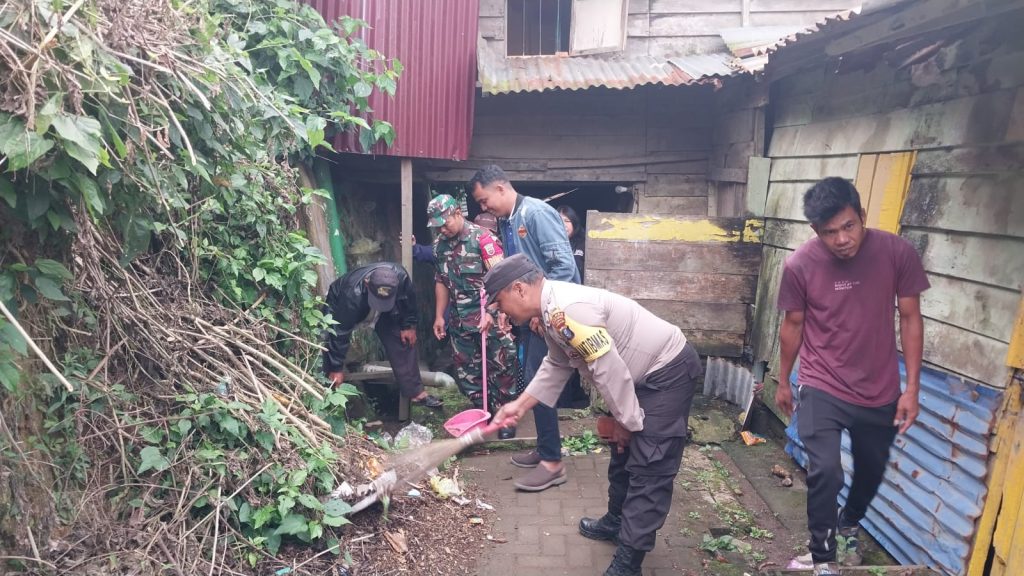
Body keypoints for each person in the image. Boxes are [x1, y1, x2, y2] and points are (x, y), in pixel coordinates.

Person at [485, 254, 701, 576]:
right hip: (636, 375)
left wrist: (626, 422)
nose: (501, 312)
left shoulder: (567, 311)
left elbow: (609, 370)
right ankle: (617, 521)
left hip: (667, 372)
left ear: (518, 289)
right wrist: (521, 405)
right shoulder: (550, 312)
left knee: (649, 463)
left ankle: (628, 565)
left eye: (500, 303)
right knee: (622, 450)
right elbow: (557, 363)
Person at [775, 177, 928, 576]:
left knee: (872, 470)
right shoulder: (799, 265)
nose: (842, 239)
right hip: (821, 381)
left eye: (848, 226)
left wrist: (912, 388)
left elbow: (911, 317)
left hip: (880, 388)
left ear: (862, 215)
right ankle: (823, 558)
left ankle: (849, 522)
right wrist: (783, 380)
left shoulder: (896, 252)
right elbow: (793, 325)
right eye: (830, 232)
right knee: (826, 470)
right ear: (815, 230)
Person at [469, 164, 580, 492]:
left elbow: (564, 268)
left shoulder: (536, 214)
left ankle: (553, 463)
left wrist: (540, 310)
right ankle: (546, 449)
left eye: (484, 200)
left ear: (500, 188)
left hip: (549, 313)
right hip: (532, 314)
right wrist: (500, 307)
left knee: (539, 381)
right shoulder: (509, 220)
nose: (484, 207)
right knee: (533, 379)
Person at [427, 194, 518, 429]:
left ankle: (505, 419)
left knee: (502, 368)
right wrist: (439, 315)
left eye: (445, 223)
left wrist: (491, 311)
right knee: (468, 371)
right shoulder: (439, 246)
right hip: (460, 323)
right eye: (437, 226)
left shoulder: (484, 240)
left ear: (458, 213)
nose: (442, 230)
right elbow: (441, 281)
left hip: (491, 320)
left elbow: (502, 281)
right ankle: (482, 414)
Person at [322, 263, 443, 408]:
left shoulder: (401, 278)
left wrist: (408, 326)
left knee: (403, 340)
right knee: (329, 342)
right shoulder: (351, 295)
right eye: (379, 301)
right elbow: (340, 332)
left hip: (386, 311)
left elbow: (408, 301)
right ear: (367, 284)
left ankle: (416, 393)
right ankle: (329, 394)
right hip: (346, 306)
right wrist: (336, 368)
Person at [557, 205, 586, 281]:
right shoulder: (550, 245)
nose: (563, 225)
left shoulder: (584, 244)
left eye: (567, 221)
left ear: (574, 223)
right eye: (559, 221)